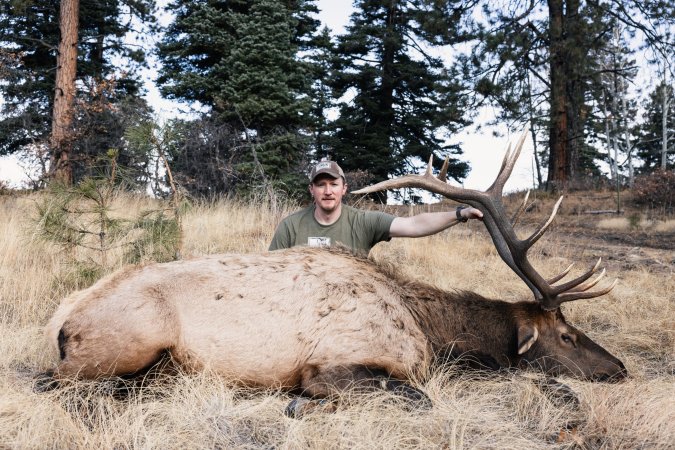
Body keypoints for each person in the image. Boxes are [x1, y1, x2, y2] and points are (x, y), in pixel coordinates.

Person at [269, 160, 483, 255]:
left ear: (344, 189)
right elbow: (271, 273)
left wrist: (460, 213)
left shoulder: (363, 222)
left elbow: (415, 224)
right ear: (311, 190)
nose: (327, 191)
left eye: (333, 184)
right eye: (321, 185)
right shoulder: (291, 226)